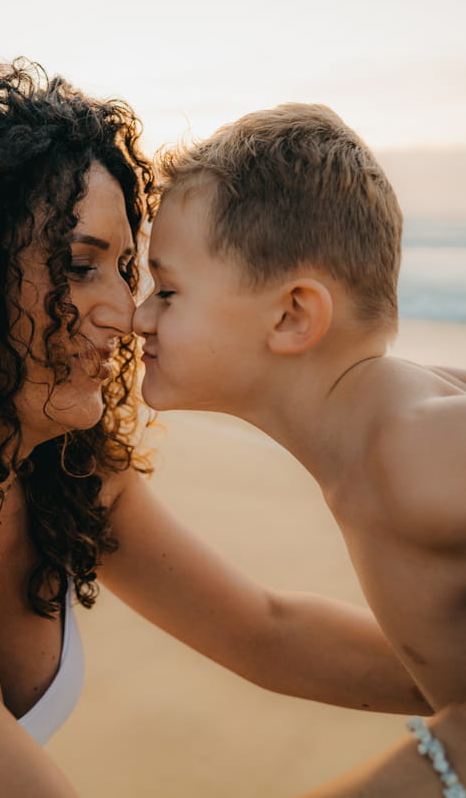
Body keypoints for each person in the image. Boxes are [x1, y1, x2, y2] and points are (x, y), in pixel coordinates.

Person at [0, 66, 425, 798]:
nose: (125, 314)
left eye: (128, 270)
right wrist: (442, 759)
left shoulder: (59, 479)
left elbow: (269, 632)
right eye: (77, 266)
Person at [134, 101, 466, 796]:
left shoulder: (411, 446)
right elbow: (272, 634)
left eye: (166, 290)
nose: (139, 316)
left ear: (291, 316)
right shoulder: (382, 439)